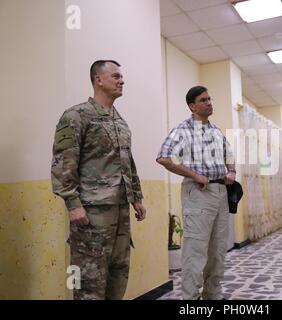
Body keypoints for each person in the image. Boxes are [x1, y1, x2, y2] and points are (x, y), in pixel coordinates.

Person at [51, 60, 146, 300]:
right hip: (91, 213)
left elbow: (128, 162)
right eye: (116, 76)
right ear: (98, 80)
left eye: (121, 76)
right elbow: (63, 162)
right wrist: (73, 204)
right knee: (88, 279)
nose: (121, 80)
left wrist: (136, 198)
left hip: (120, 210)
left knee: (118, 272)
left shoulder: (120, 122)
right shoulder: (76, 115)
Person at [156, 86, 236, 300]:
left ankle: (212, 296)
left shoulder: (216, 130)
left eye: (210, 98)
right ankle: (191, 300)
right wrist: (194, 175)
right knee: (195, 252)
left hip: (221, 193)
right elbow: (163, 158)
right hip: (199, 192)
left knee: (218, 251)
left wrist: (232, 171)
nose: (209, 103)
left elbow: (229, 152)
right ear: (192, 106)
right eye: (203, 100)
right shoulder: (182, 130)